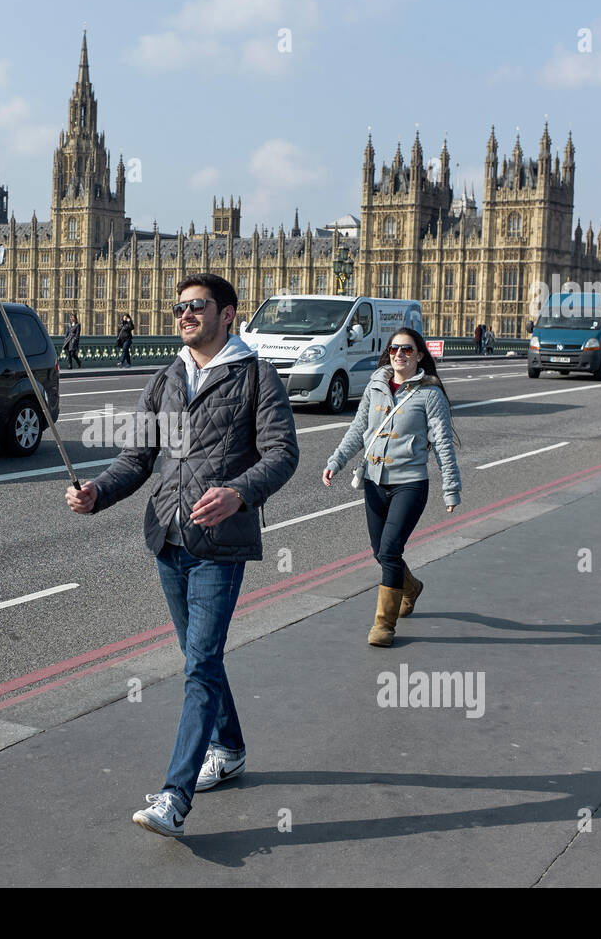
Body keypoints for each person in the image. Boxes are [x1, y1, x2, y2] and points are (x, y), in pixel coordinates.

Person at [66, 273, 298, 837]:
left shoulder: (255, 376)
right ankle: (232, 746)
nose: (185, 314)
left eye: (197, 306)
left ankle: (175, 796)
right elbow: (138, 458)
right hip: (167, 540)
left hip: (220, 545)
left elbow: (283, 453)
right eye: (179, 307)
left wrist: (239, 492)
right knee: (203, 657)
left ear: (229, 314)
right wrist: (98, 493)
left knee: (197, 665)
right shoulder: (167, 378)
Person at [322, 326, 460, 647]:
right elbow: (359, 429)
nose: (400, 354)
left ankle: (384, 625)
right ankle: (410, 588)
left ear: (420, 356)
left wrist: (451, 488)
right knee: (380, 552)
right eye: (395, 349)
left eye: (408, 350)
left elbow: (442, 443)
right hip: (374, 480)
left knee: (389, 550)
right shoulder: (376, 385)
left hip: (410, 484)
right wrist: (335, 461)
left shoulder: (430, 393)